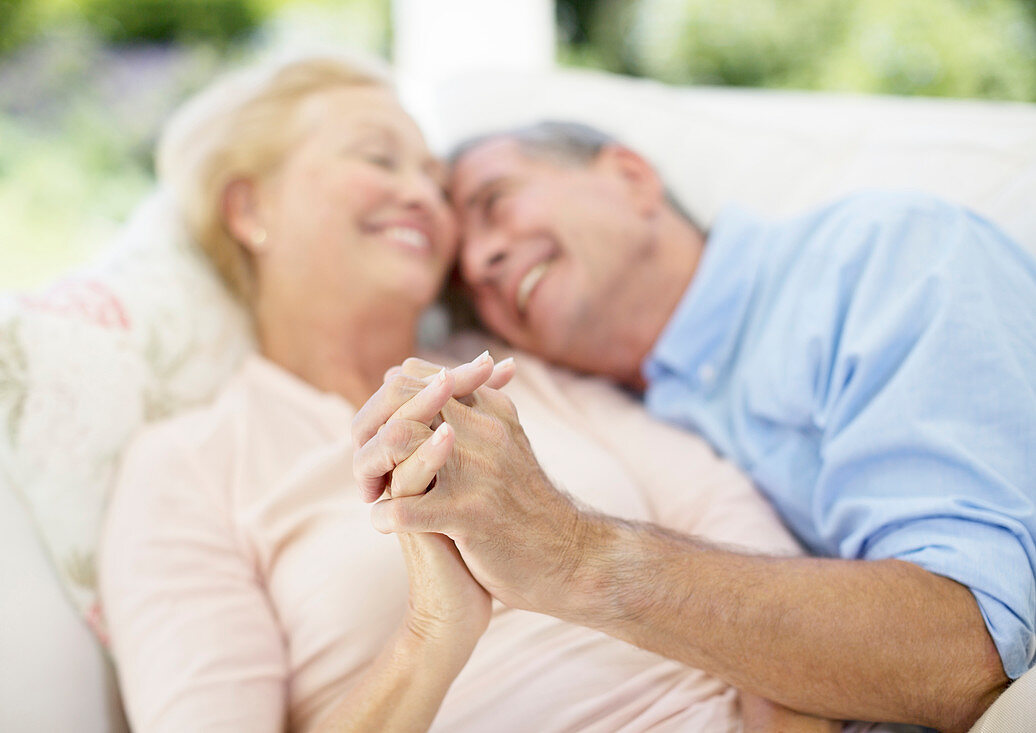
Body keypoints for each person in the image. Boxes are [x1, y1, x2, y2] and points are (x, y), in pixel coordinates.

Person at [99, 61, 836, 731]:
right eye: (379, 158)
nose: (422, 195)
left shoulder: (520, 374)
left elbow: (769, 583)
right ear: (249, 209)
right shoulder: (185, 467)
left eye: (433, 178)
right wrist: (430, 634)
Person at [354, 121, 1036, 732]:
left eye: (495, 202)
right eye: (464, 289)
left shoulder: (885, 256)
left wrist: (571, 555)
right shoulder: (616, 420)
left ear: (631, 177)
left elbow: (970, 650)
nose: (479, 264)